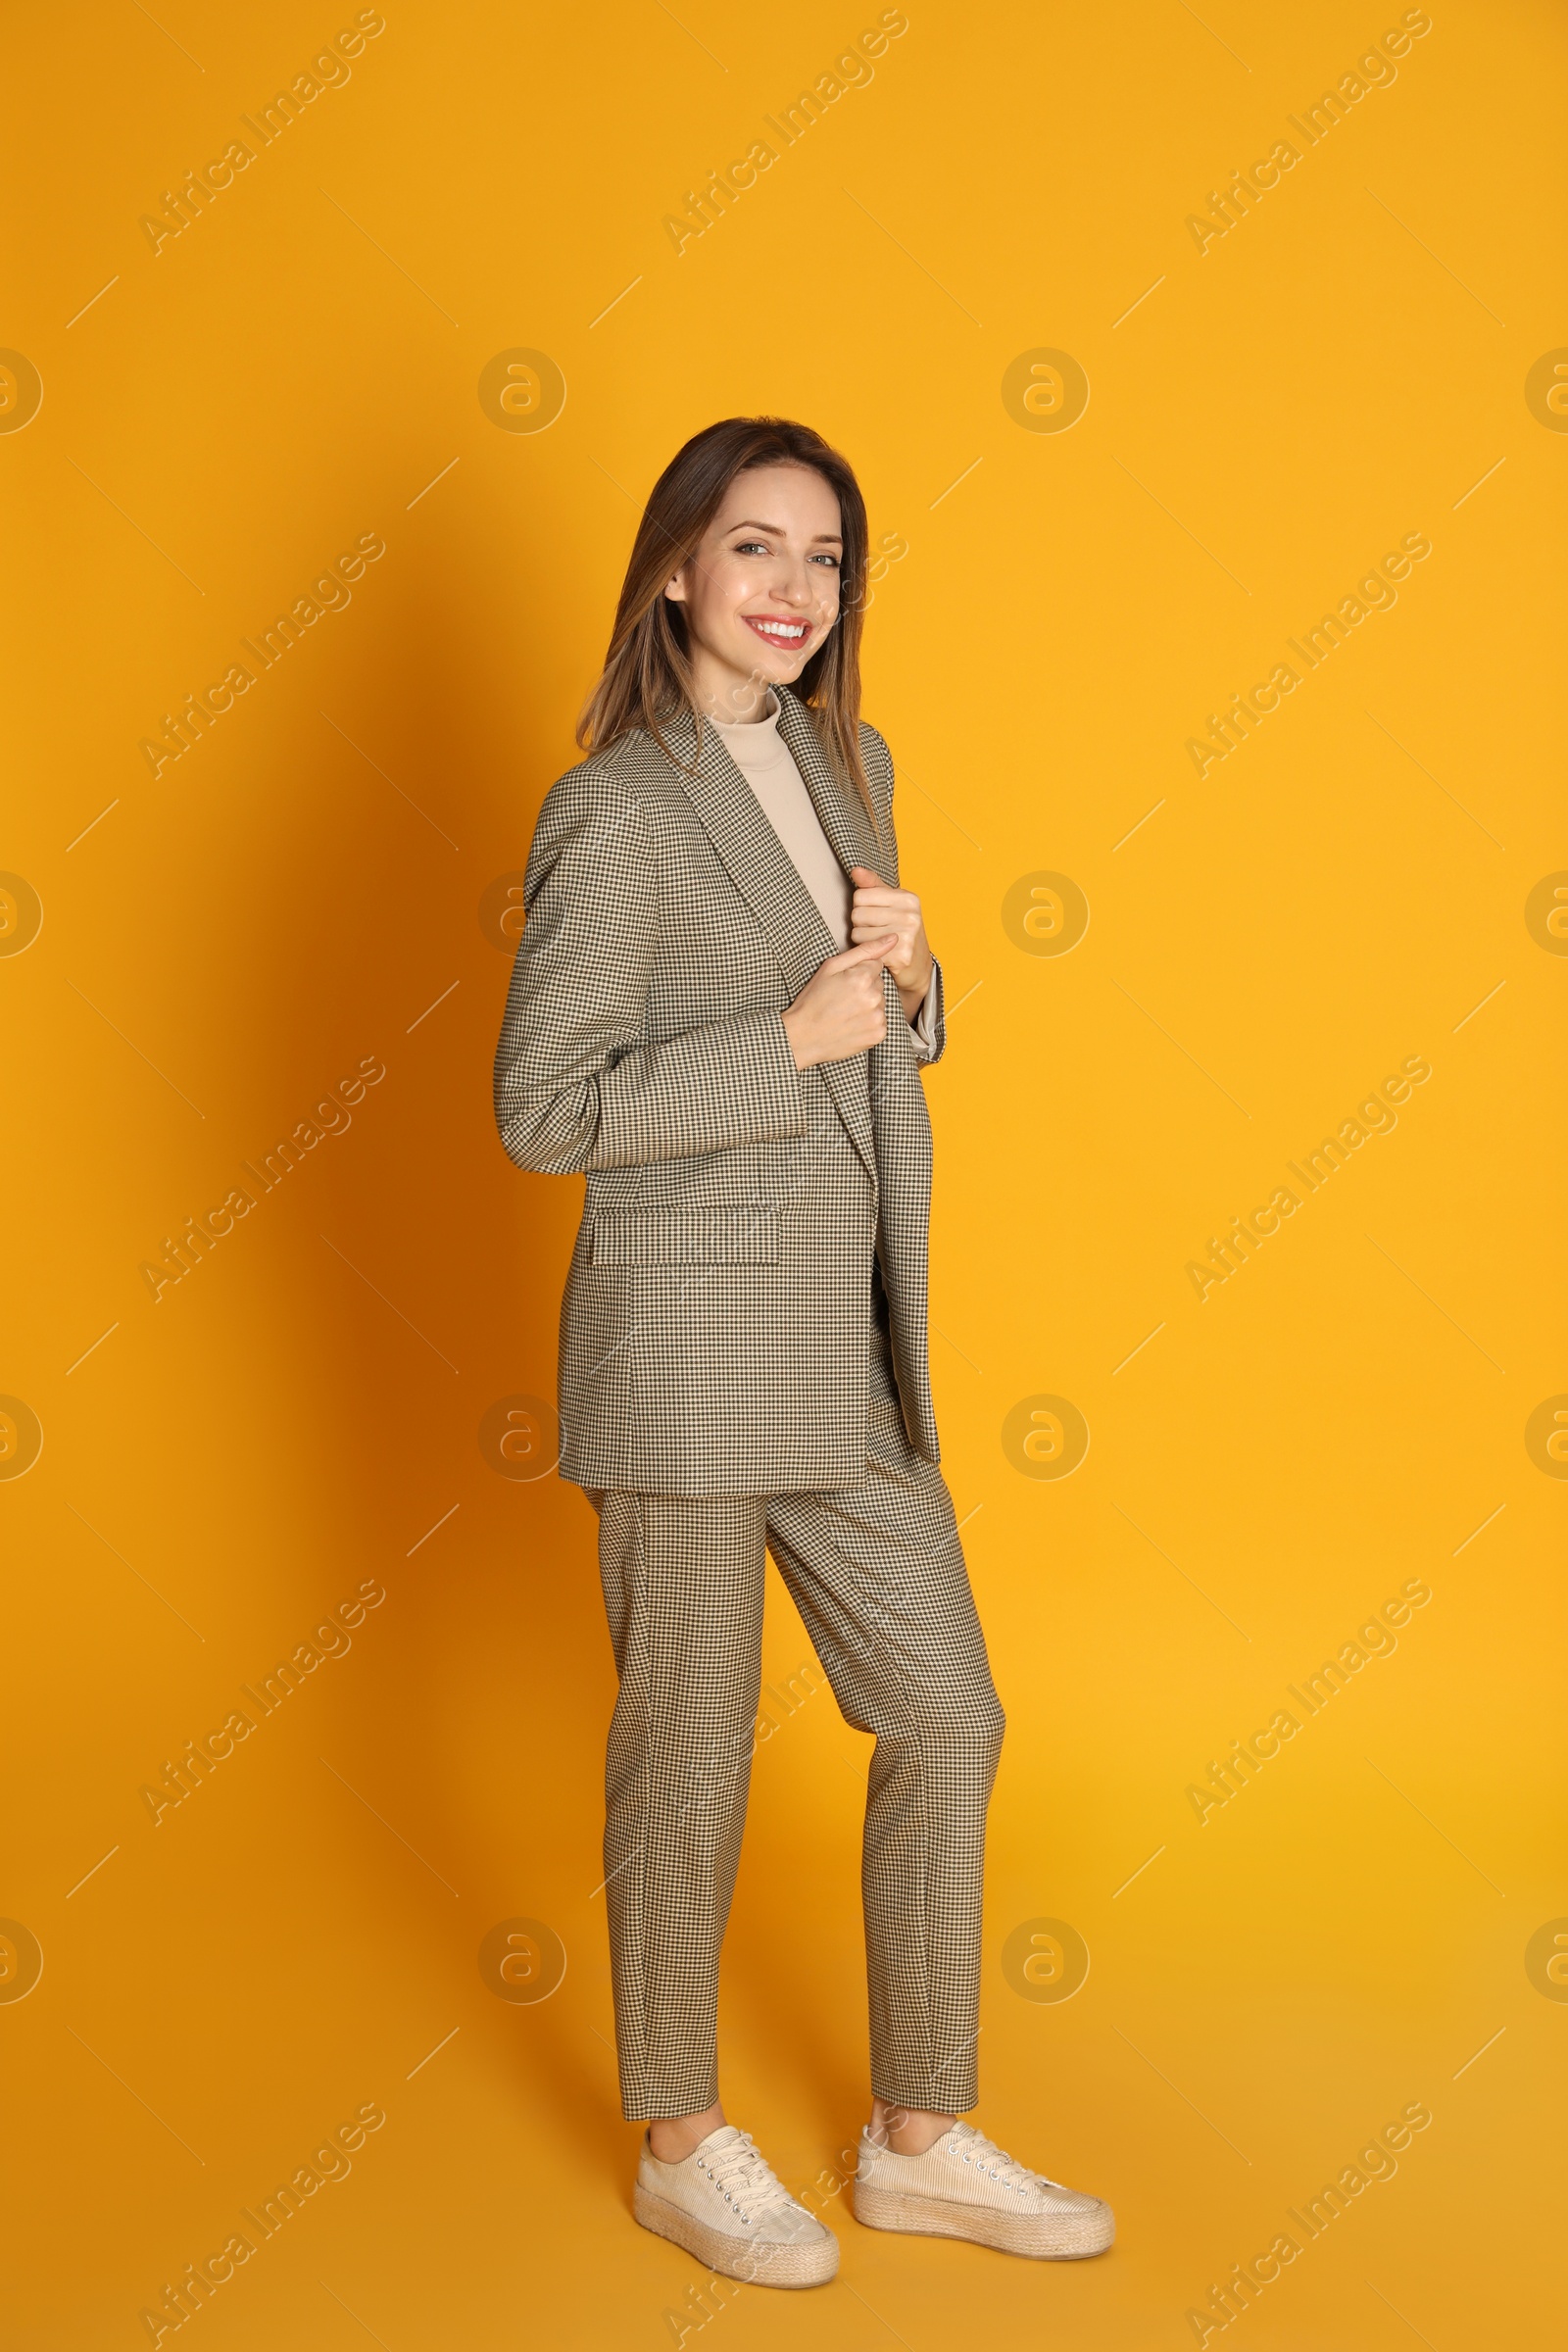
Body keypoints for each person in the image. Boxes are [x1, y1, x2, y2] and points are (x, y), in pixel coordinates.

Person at [493, 416, 1113, 2286]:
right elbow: (541, 1109)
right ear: (676, 567)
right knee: (686, 1753)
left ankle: (918, 2133)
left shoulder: (859, 766)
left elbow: (867, 1016)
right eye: (751, 549)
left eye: (824, 558)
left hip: (846, 1349)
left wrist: (917, 996)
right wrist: (797, 1040)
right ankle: (683, 2140)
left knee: (947, 1710)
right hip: (681, 1355)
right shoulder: (610, 808)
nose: (788, 589)